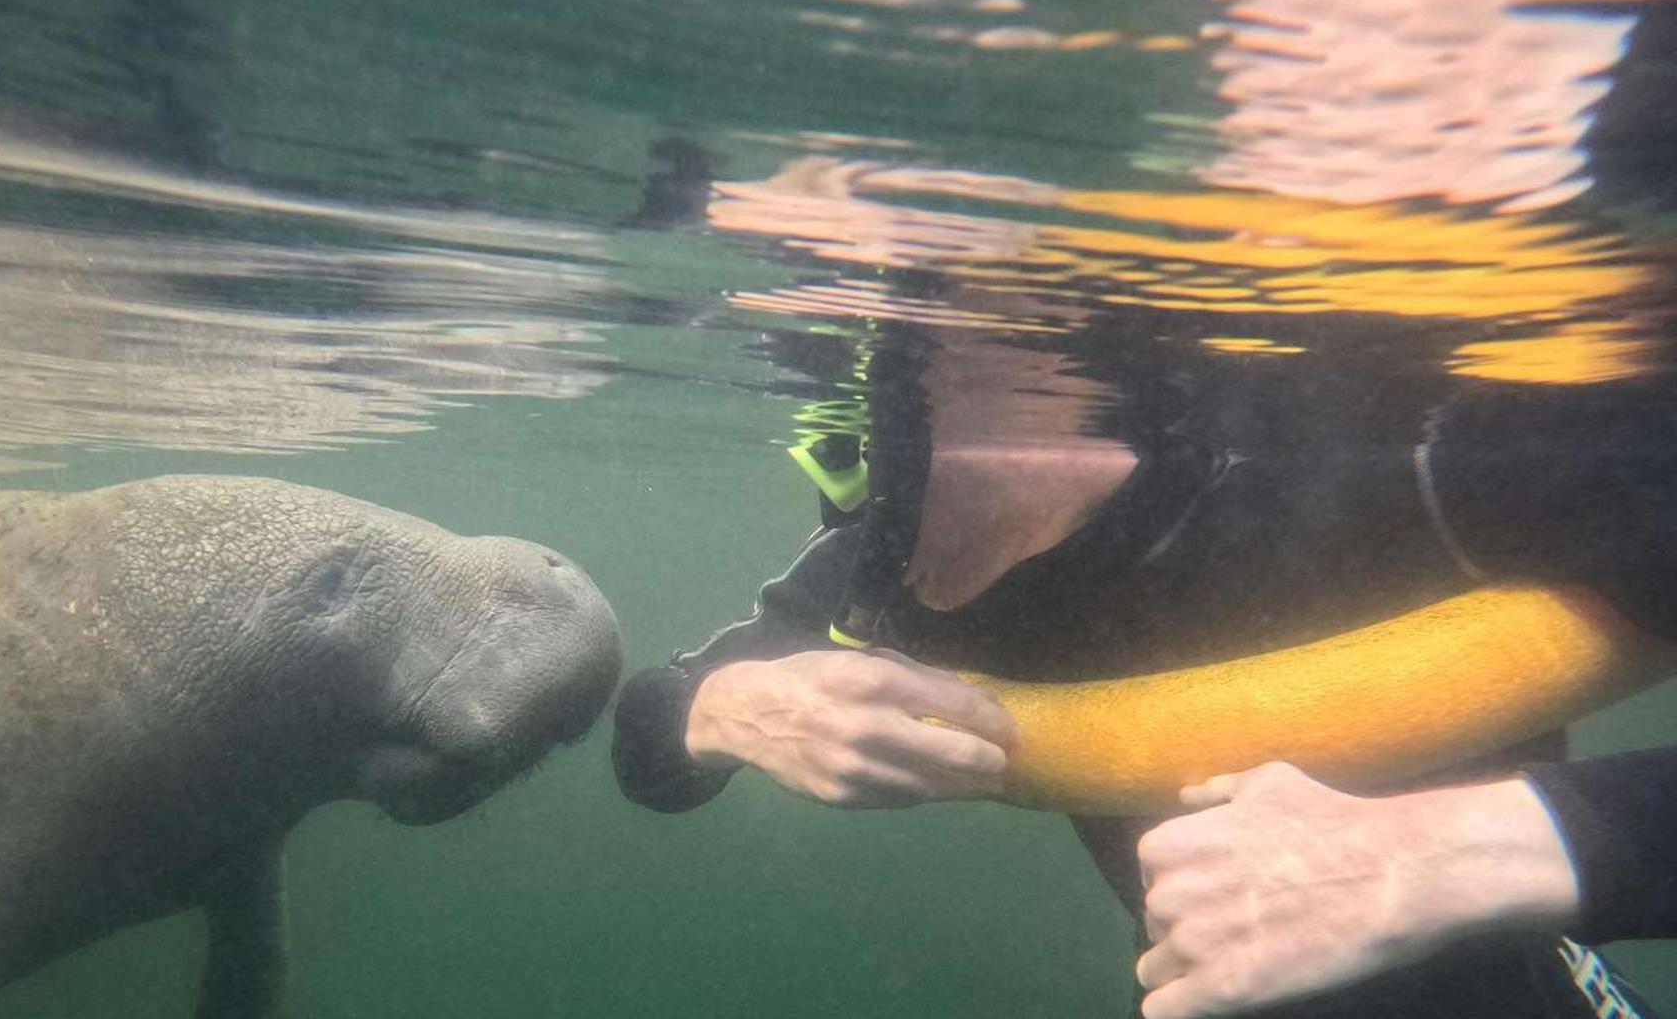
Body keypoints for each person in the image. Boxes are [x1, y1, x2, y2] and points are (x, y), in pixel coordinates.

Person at [611, 337, 1676, 1018]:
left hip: (1522, 986)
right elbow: (652, 740)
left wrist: (1457, 854)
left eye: (1029, 350)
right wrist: (732, 708)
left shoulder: (1400, 465)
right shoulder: (891, 561)